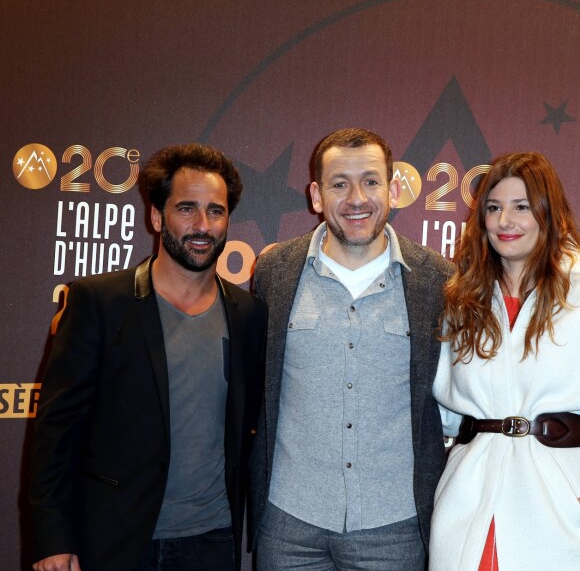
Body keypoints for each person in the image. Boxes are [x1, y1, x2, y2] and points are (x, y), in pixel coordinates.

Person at [29, 143, 267, 571]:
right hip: (115, 540)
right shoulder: (99, 303)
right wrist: (52, 538)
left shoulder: (248, 315)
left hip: (212, 541)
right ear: (157, 217)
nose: (202, 225)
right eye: (187, 209)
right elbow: (55, 434)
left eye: (216, 211)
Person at [249, 128, 453, 570]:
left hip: (395, 529)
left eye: (371, 181)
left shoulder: (437, 280)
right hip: (288, 524)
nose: (356, 197)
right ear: (316, 195)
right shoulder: (275, 270)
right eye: (339, 183)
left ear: (394, 189)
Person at [430, 152, 580, 571]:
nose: (504, 222)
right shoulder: (462, 299)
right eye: (494, 208)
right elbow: (443, 407)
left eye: (521, 207)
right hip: (469, 497)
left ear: (548, 214)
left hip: (559, 502)